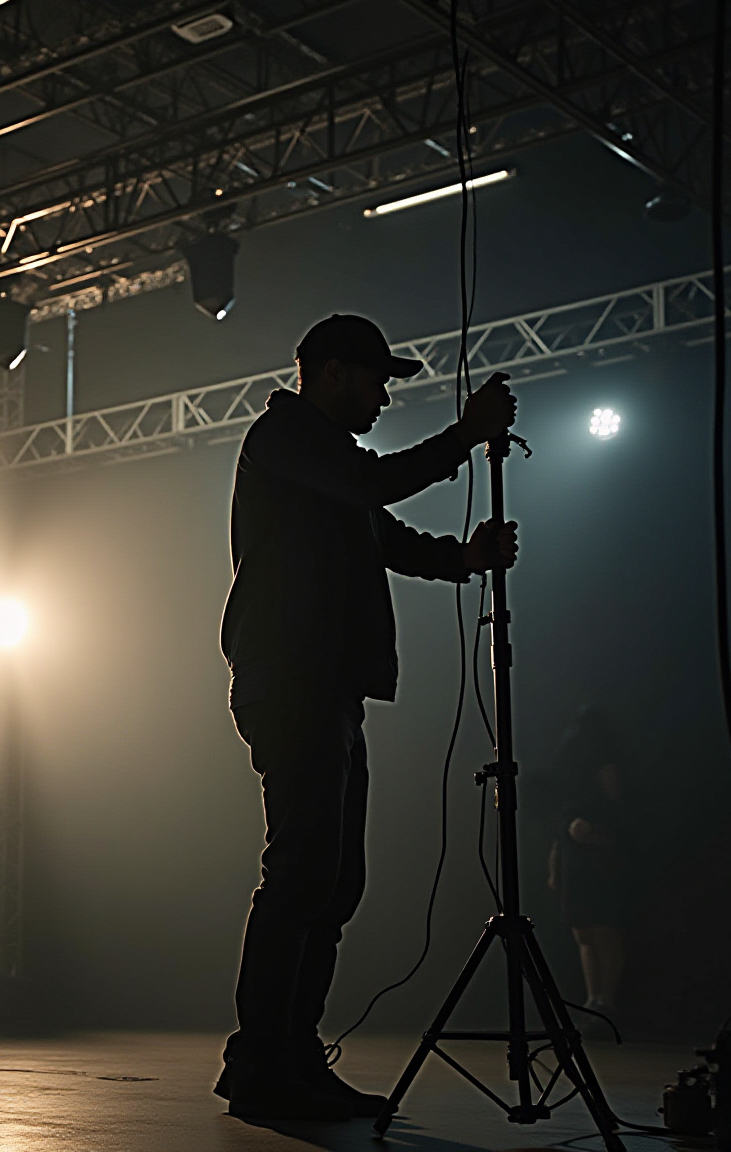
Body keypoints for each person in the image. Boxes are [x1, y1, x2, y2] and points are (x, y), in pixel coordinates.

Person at [215, 314, 518, 1121]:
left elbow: (382, 531)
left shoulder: (324, 463)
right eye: (377, 380)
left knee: (332, 882)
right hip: (293, 680)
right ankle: (261, 1062)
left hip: (328, 686)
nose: (384, 397)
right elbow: (372, 488)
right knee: (303, 875)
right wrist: (465, 436)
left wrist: (460, 559)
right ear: (333, 372)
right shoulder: (285, 437)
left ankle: (292, 1054)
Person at [546, 708, 635, 1019]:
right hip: (574, 858)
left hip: (599, 856)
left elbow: (618, 811)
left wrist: (597, 833)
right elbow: (560, 822)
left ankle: (605, 1000)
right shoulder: (569, 771)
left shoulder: (606, 765)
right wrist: (556, 862)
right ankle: (593, 999)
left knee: (604, 930)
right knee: (583, 931)